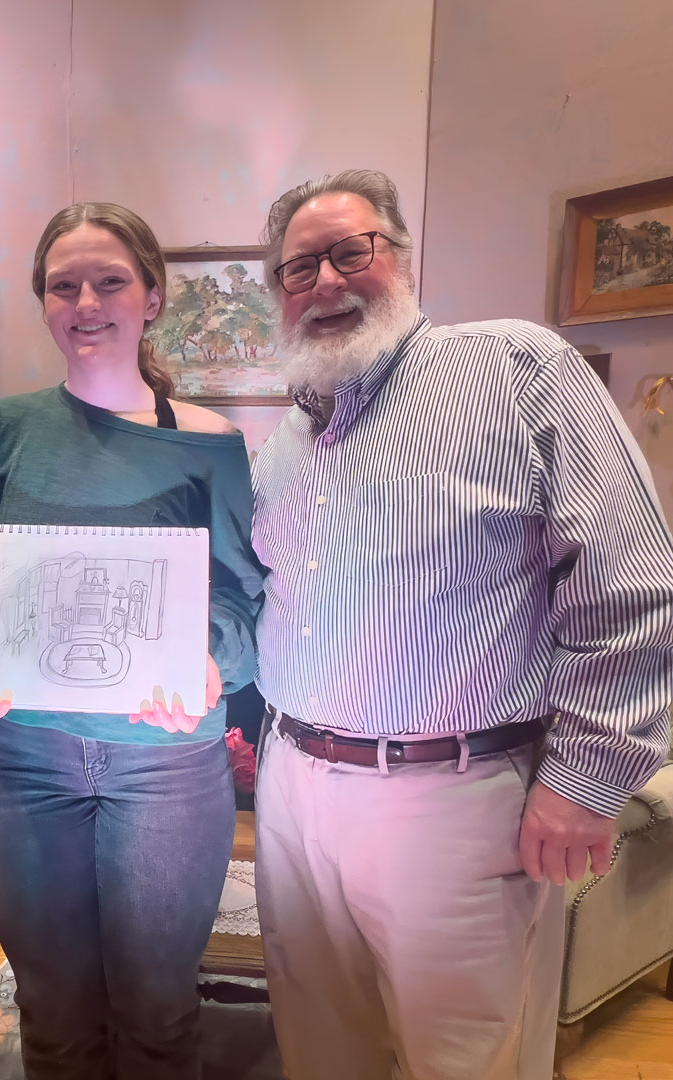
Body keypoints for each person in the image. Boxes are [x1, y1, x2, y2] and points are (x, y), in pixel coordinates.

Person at [251, 169, 673, 1080]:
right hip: (291, 791)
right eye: (298, 268)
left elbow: (632, 580)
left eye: (350, 252)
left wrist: (585, 780)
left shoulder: (515, 369)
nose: (325, 282)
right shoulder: (281, 447)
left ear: (401, 257)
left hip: (452, 795)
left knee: (466, 1061)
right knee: (319, 1048)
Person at [0, 202, 263, 1080]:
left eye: (109, 282)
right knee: (52, 1012)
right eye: (63, 285)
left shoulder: (212, 443)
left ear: (151, 297)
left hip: (165, 762)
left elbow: (244, 600)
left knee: (159, 1012)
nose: (85, 302)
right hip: (18, 759)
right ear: (43, 300)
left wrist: (209, 662)